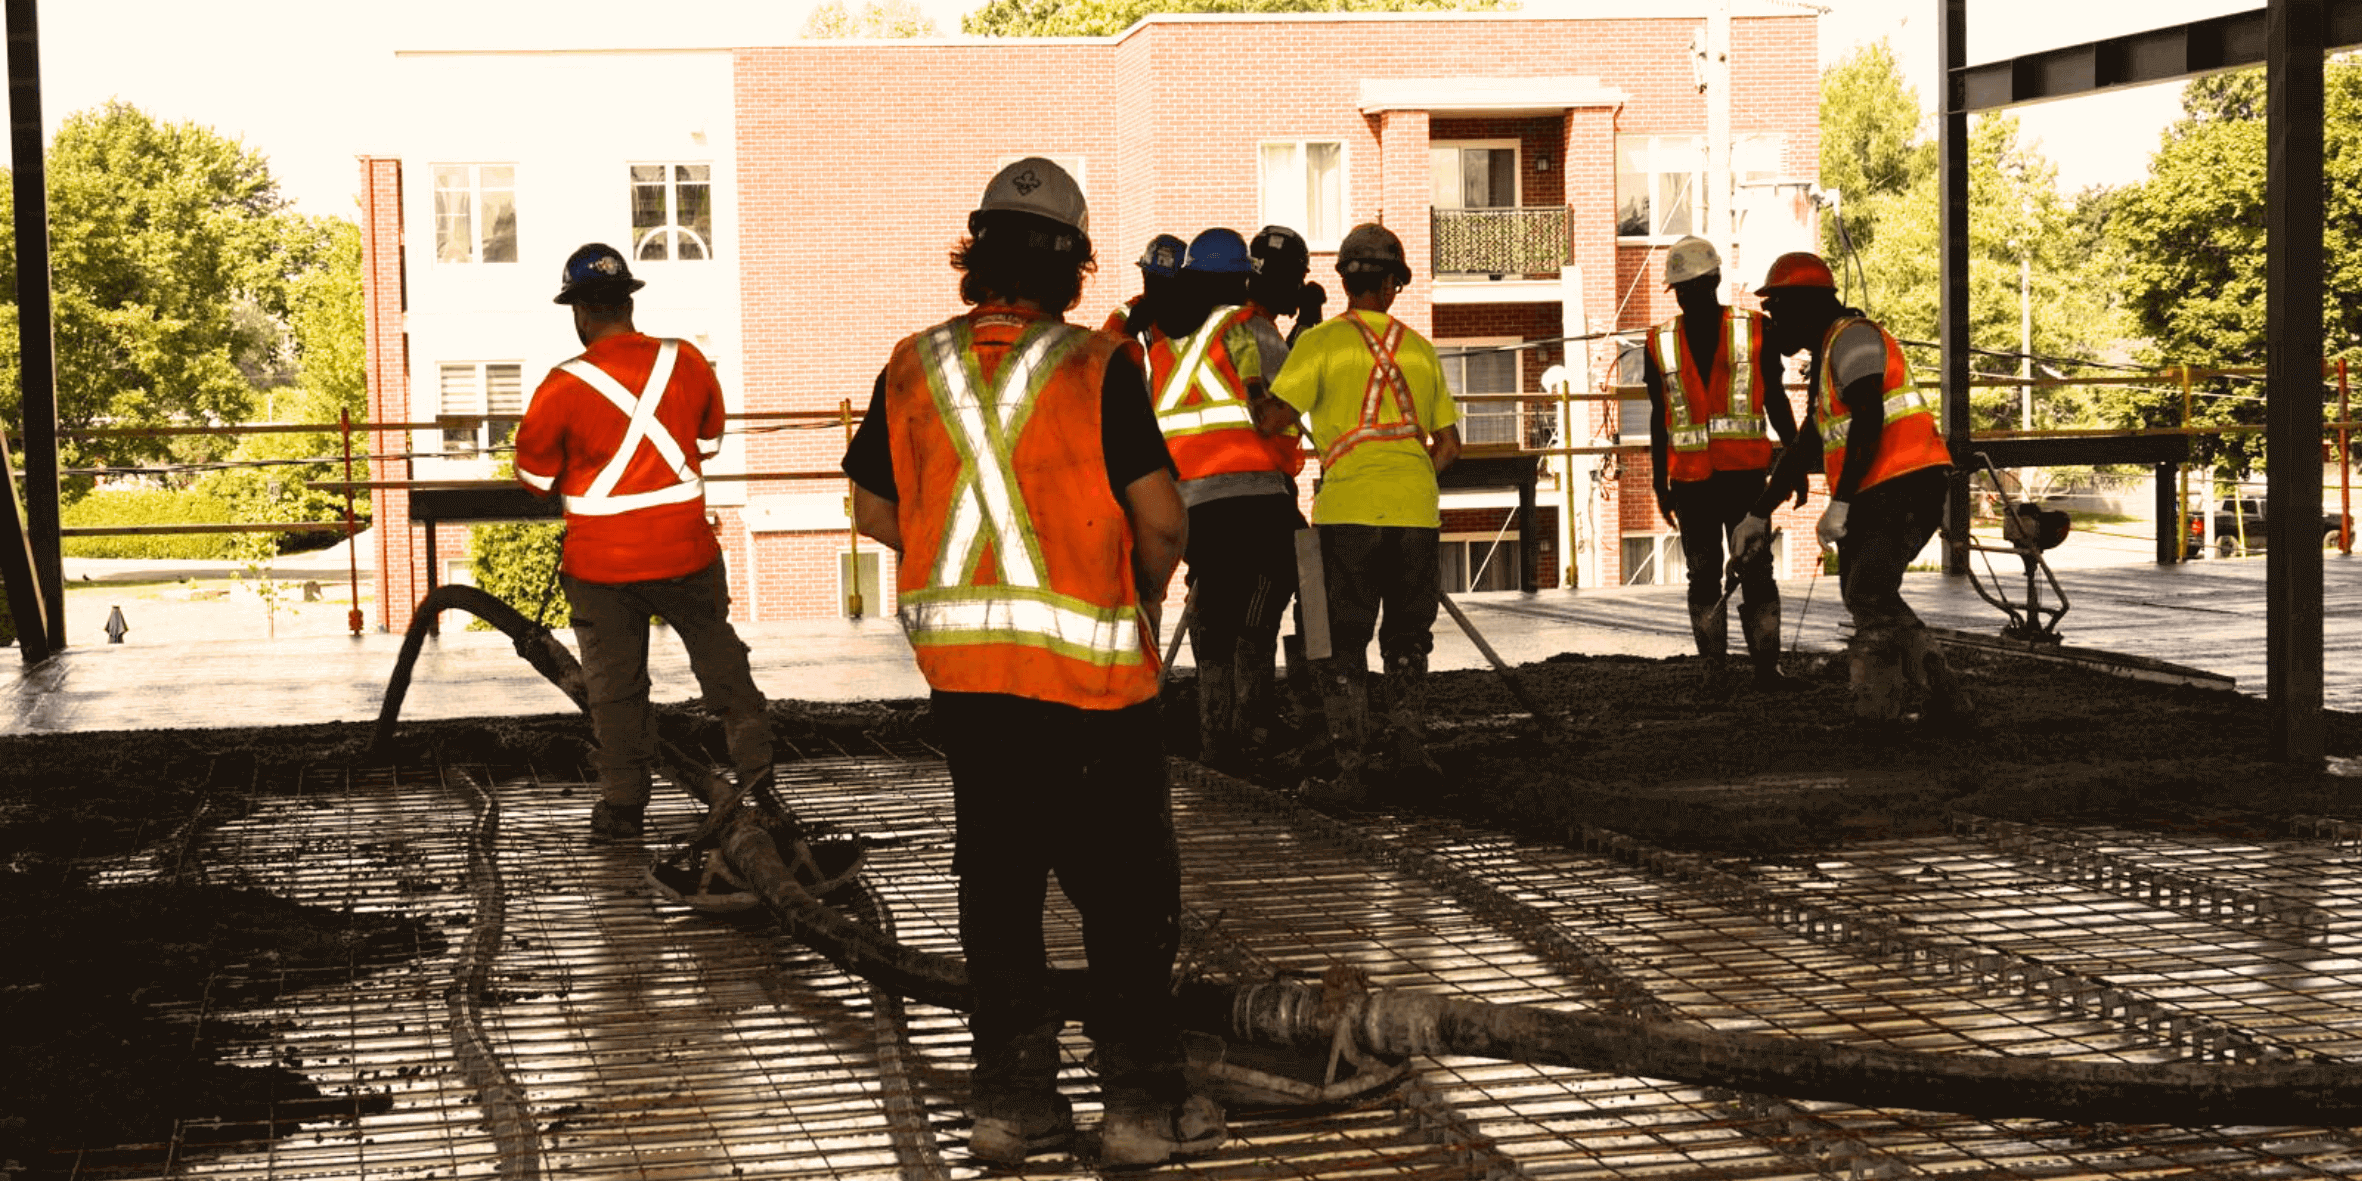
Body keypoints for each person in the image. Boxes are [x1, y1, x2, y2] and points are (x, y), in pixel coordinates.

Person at [839, 158, 1218, 1168]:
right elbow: (1164, 521)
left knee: (998, 889)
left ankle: (1011, 1103)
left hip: (971, 686)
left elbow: (875, 508)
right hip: (1094, 692)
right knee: (1125, 896)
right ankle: (1140, 1106)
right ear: (1075, 270)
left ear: (977, 258)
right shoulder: (1096, 368)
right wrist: (1131, 589)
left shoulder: (912, 364)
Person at [513, 244, 776, 845]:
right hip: (687, 556)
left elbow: (535, 480)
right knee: (723, 669)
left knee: (616, 691)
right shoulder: (685, 361)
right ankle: (759, 782)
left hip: (602, 569)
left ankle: (623, 809)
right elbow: (707, 443)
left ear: (579, 312)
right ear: (628, 301)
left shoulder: (561, 385)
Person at [1268, 222, 1461, 805]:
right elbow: (1449, 446)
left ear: (1346, 281)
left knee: (1337, 639)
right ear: (1395, 284)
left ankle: (1350, 766)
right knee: (1408, 638)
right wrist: (1406, 480)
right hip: (1415, 516)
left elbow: (1274, 419)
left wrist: (1260, 385)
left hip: (1347, 513)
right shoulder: (1420, 349)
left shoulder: (1321, 343)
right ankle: (1409, 755)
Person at [1732, 251, 1968, 722]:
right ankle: (1940, 696)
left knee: (1867, 592)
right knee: (1869, 592)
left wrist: (1839, 504)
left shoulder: (1854, 339)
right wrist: (1758, 513)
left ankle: (1880, 710)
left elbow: (1869, 416)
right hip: (1883, 489)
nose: (1773, 321)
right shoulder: (1830, 354)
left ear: (1804, 303)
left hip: (1902, 486)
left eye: (1777, 308)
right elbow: (1805, 446)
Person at [1147, 227, 1306, 767]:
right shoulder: (1248, 327)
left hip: (1191, 500)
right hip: (1254, 492)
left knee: (1214, 610)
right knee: (1296, 572)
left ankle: (1216, 738)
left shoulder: (1166, 342)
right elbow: (1289, 408)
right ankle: (1260, 719)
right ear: (1243, 278)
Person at [1643, 235, 1801, 691]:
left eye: (1693, 286)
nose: (1689, 296)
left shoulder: (1753, 330)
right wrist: (1659, 481)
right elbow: (1661, 416)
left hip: (1744, 477)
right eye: (1684, 290)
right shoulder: (1660, 342)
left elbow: (1773, 396)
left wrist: (1792, 458)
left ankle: (1763, 670)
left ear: (1713, 281)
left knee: (1753, 569)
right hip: (1693, 480)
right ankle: (1718, 670)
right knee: (1705, 573)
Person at [1105, 233, 1186, 342]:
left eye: (1166, 282)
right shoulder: (1121, 319)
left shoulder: (1193, 318)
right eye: (1154, 280)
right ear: (1143, 275)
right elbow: (1102, 356)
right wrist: (1130, 332)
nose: (1159, 289)